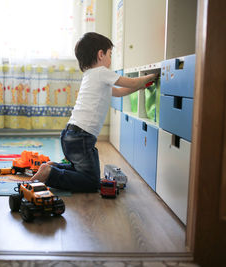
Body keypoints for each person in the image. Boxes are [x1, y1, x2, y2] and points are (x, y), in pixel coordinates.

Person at [31, 32, 158, 192]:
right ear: (100, 54)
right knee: (91, 183)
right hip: (81, 138)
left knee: (86, 174)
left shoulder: (90, 76)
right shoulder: (102, 72)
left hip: (71, 136)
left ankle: (53, 167)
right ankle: (50, 173)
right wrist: (153, 76)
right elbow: (131, 82)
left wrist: (140, 86)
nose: (110, 60)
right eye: (110, 55)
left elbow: (119, 92)